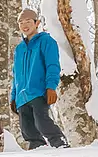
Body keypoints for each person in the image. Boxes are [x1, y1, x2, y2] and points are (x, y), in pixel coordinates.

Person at [11, 8, 70, 149]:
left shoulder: (46, 41)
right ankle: (37, 149)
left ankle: (60, 143)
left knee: (42, 122)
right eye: (21, 22)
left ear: (36, 23)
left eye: (28, 21)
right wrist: (13, 97)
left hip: (38, 90)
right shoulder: (19, 49)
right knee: (27, 128)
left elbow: (52, 65)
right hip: (22, 96)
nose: (24, 25)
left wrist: (51, 87)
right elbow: (16, 75)